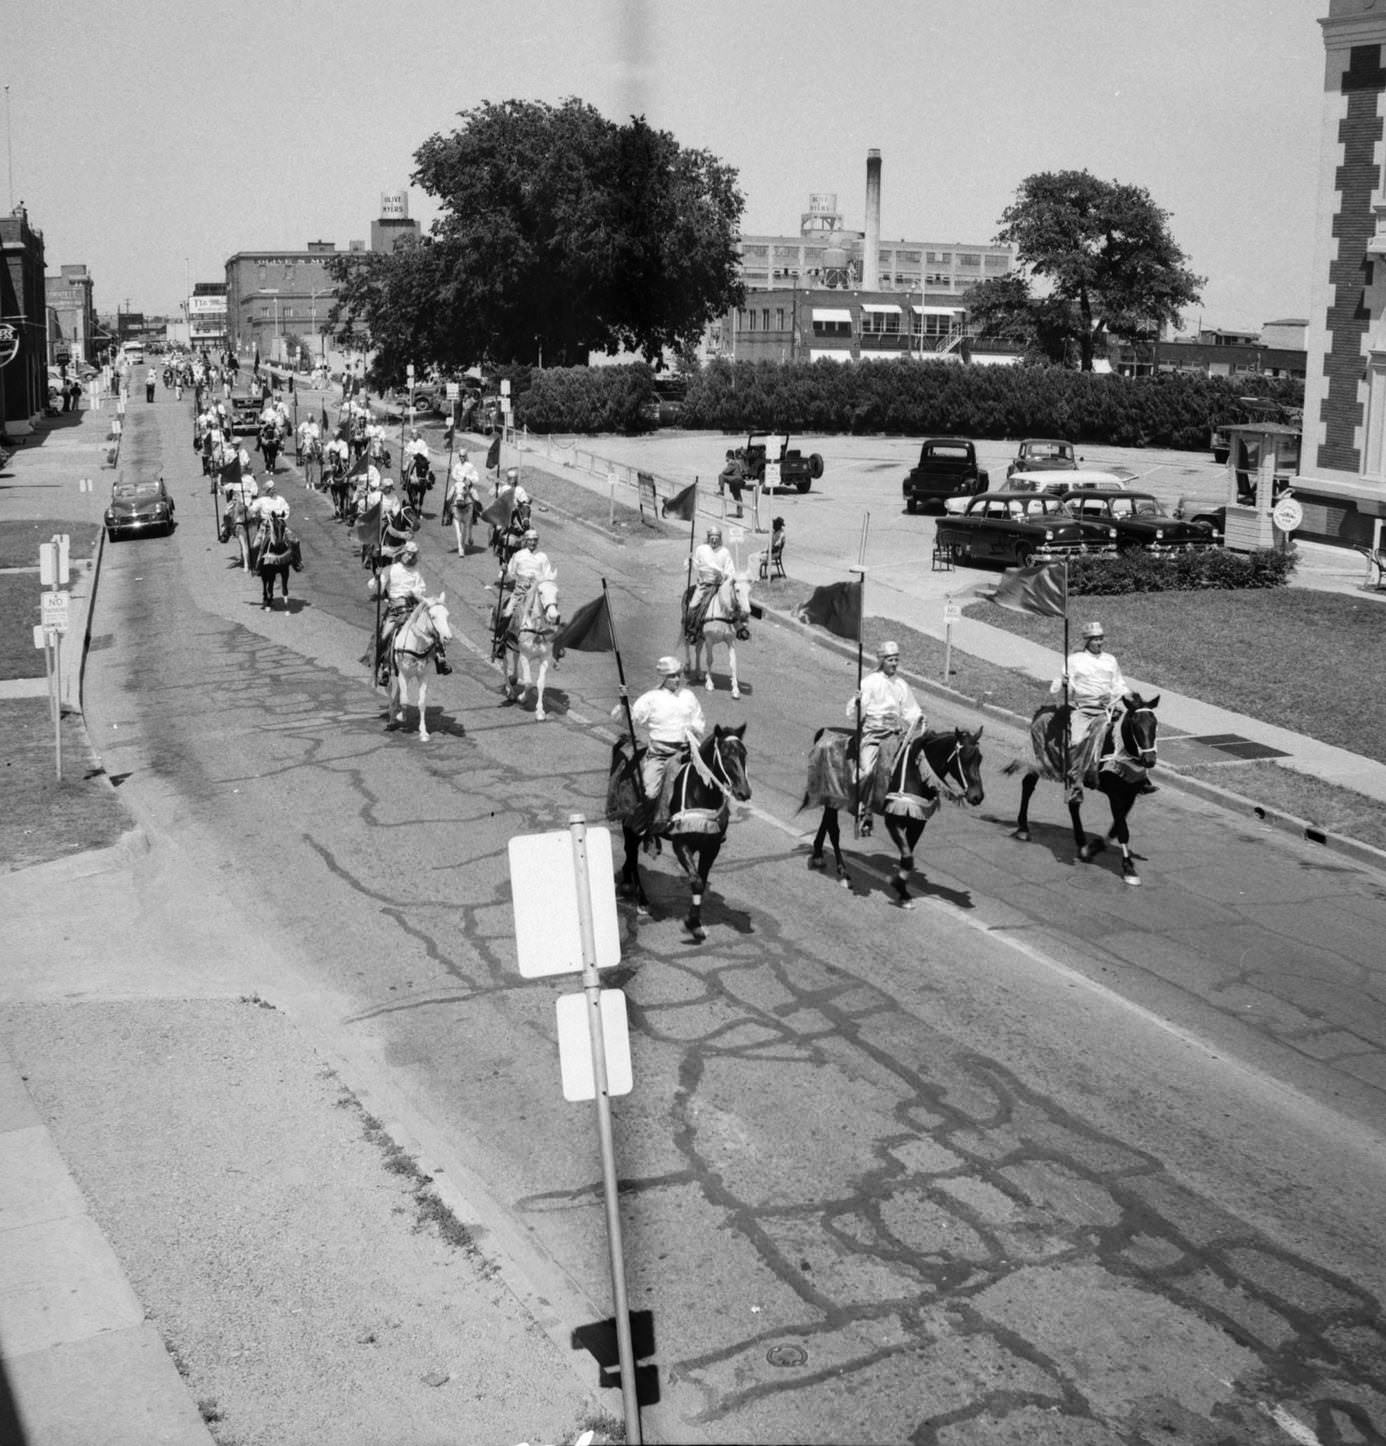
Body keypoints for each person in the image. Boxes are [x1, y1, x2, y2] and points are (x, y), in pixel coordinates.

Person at [617, 656, 707, 832]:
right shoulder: (651, 698)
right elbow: (633, 718)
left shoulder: (688, 695)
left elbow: (699, 720)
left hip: (684, 753)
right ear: (663, 678)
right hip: (659, 755)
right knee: (650, 791)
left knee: (707, 783)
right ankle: (649, 824)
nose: (677, 679)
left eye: (678, 675)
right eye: (672, 676)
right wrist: (623, 701)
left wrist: (692, 730)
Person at [1051, 620, 1141, 788]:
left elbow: (1118, 684)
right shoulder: (1074, 660)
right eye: (1095, 639)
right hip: (1084, 710)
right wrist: (1064, 682)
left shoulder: (1110, 660)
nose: (1099, 642)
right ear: (1087, 641)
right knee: (1076, 740)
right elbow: (1064, 686)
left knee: (1133, 732)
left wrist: (1128, 694)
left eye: (1101, 638)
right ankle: (1074, 776)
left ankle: (1138, 777)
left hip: (1109, 709)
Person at [847, 641, 924, 834]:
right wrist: (858, 703)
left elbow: (911, 710)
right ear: (882, 661)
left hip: (893, 736)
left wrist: (919, 719)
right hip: (872, 735)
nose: (894, 663)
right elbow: (855, 713)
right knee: (866, 772)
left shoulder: (901, 685)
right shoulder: (870, 682)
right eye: (890, 659)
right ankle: (864, 808)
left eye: (896, 659)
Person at [368, 539, 449, 684]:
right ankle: (385, 667)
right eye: (408, 554)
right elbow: (376, 589)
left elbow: (422, 587)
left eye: (413, 555)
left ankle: (440, 658)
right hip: (395, 609)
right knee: (385, 635)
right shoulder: (389, 569)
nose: (410, 557)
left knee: (433, 627)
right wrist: (377, 577)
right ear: (402, 554)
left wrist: (413, 592)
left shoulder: (416, 572)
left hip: (413, 608)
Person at [493, 527, 551, 657]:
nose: (532, 543)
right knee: (508, 612)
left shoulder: (543, 557)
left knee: (550, 612)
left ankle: (544, 639)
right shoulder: (518, 555)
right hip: (519, 592)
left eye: (535, 540)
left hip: (536, 592)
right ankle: (501, 640)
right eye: (530, 540)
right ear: (525, 541)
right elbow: (510, 575)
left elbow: (547, 576)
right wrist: (505, 571)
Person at [686, 526, 735, 643]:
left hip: (718, 586)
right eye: (712, 538)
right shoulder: (701, 549)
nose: (714, 540)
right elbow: (696, 565)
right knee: (693, 606)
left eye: (716, 538)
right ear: (708, 538)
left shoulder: (725, 552)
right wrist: (690, 561)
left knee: (733, 604)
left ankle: (738, 629)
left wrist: (725, 575)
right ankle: (691, 631)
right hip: (703, 585)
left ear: (720, 539)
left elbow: (731, 570)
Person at [446, 449, 480, 555]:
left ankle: (475, 515)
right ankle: (447, 516)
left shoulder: (470, 466)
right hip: (458, 486)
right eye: (460, 456)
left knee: (477, 499)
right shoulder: (456, 466)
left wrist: (469, 479)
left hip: (467, 487)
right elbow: (453, 475)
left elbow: (476, 477)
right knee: (448, 498)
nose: (462, 458)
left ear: (466, 456)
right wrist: (451, 472)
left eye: (463, 456)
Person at [719, 448, 747, 517]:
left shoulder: (732, 463)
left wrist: (728, 463)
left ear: (728, 456)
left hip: (735, 480)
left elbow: (725, 472)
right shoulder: (736, 462)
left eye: (726, 457)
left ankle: (721, 490)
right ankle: (739, 513)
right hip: (737, 481)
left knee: (721, 476)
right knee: (738, 497)